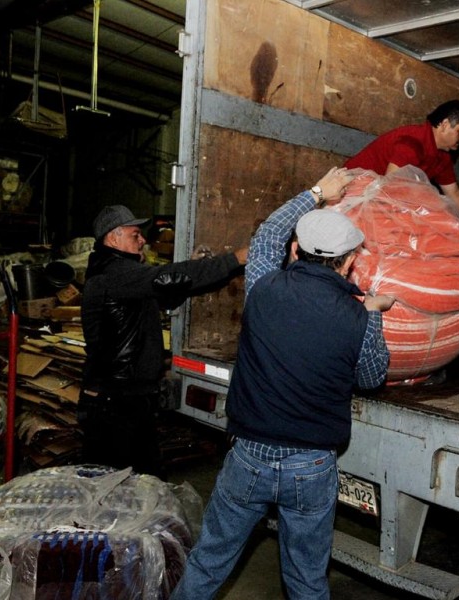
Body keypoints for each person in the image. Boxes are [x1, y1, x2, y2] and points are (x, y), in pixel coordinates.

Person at [171, 167, 394, 600]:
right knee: (307, 580)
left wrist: (316, 193)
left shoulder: (263, 287)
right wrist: (374, 314)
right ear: (349, 263)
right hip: (311, 467)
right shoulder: (358, 316)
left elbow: (268, 233)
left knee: (209, 561)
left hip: (248, 456)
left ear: (296, 251)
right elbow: (371, 377)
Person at [78, 204, 247, 477]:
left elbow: (167, 295)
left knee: (140, 478)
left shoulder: (124, 275)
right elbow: (167, 278)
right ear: (113, 238)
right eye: (136, 235)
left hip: (129, 398)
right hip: (114, 403)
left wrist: (199, 267)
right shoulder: (114, 274)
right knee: (114, 482)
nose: (143, 240)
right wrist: (235, 259)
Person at [345, 99, 459, 226]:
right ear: (444, 125)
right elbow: (391, 187)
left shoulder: (443, 157)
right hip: (349, 196)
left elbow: (455, 195)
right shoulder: (412, 143)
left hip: (376, 204)